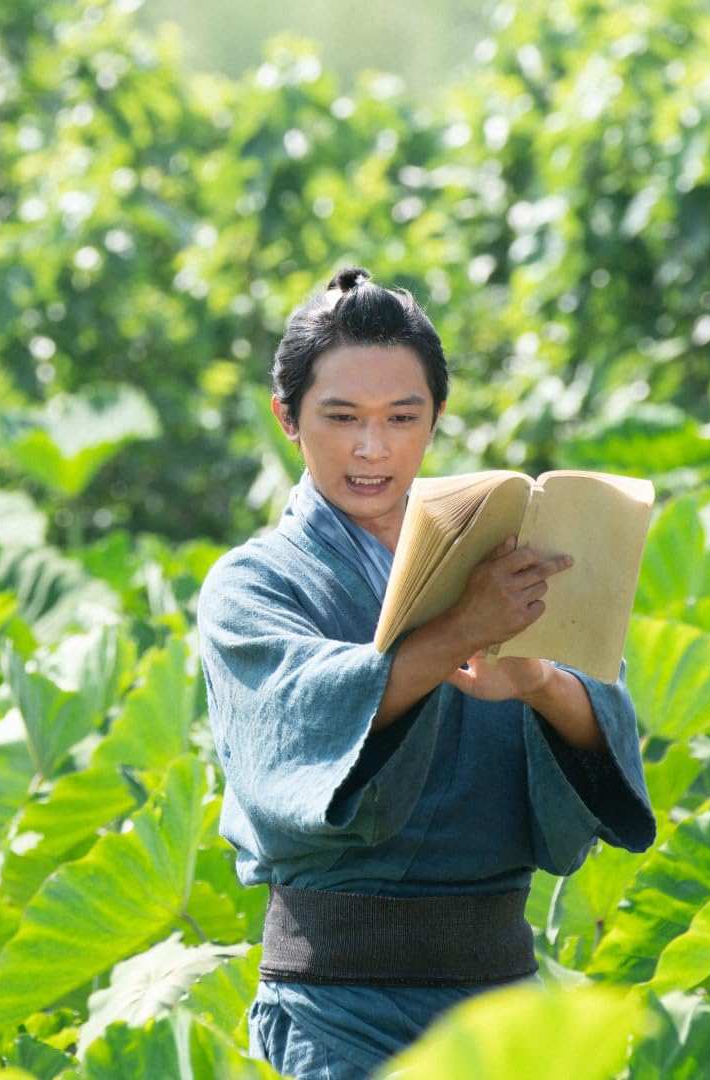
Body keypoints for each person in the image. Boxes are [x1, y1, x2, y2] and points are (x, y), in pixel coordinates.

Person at [197, 267, 655, 1079]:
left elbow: (605, 719)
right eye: (342, 417)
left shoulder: (506, 560)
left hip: (506, 1013)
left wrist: (538, 684)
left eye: (402, 418)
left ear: (437, 417)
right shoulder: (254, 586)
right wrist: (461, 631)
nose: (372, 448)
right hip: (336, 1012)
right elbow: (298, 720)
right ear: (287, 418)